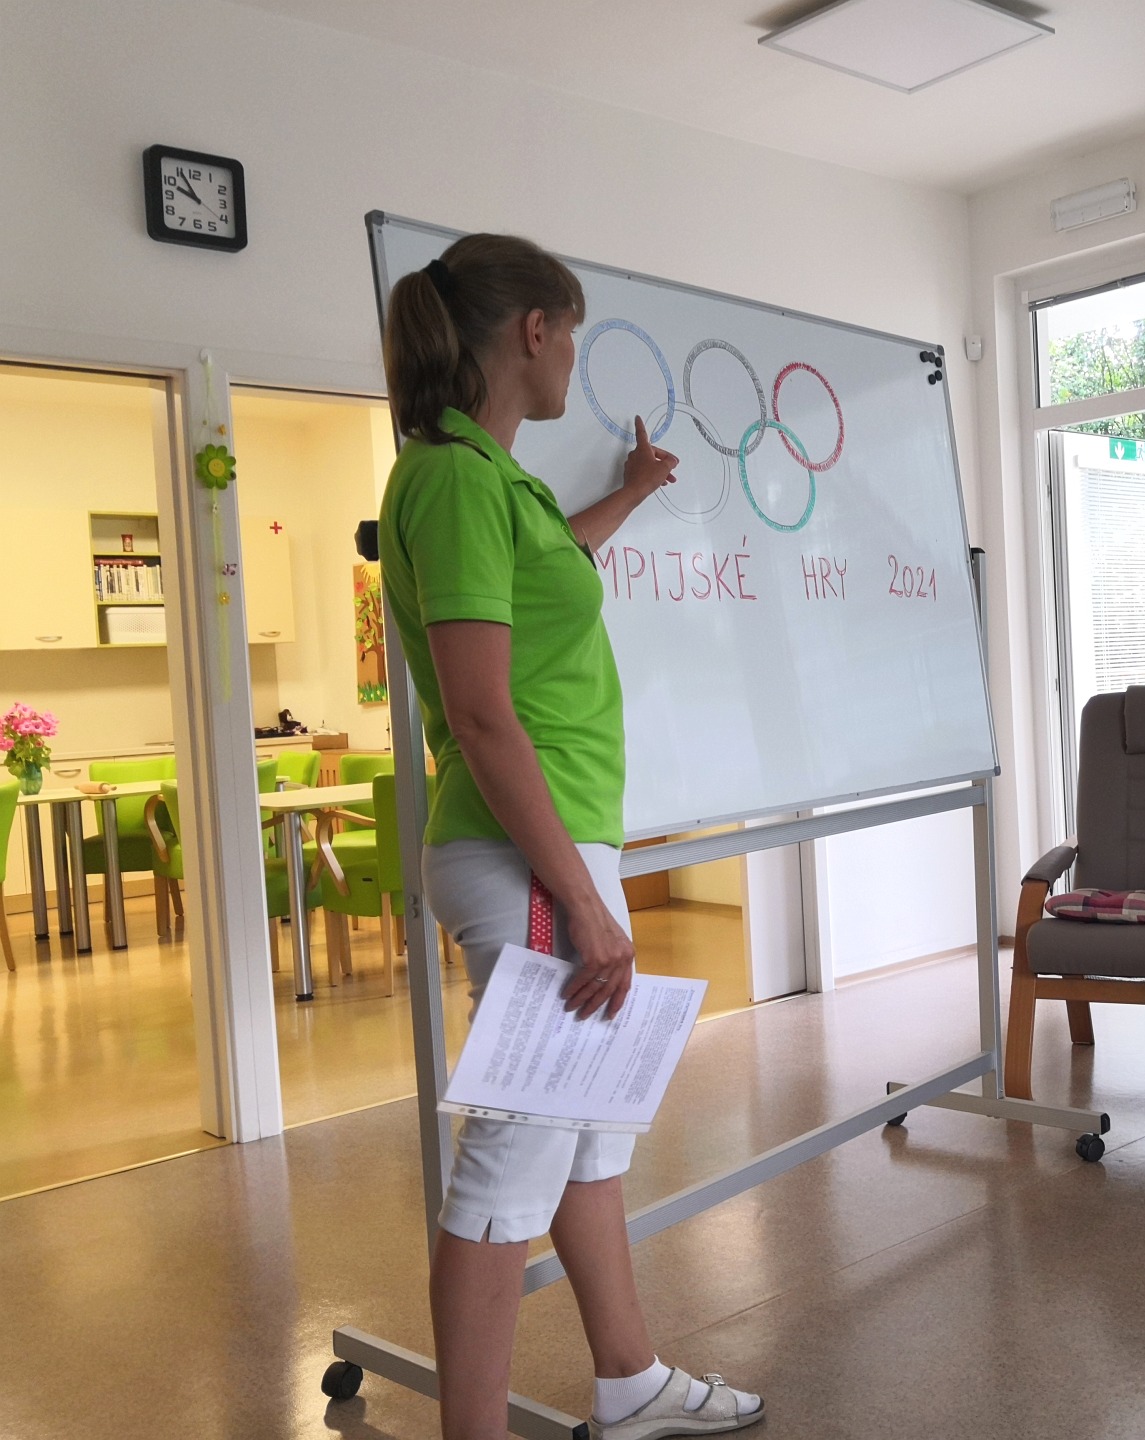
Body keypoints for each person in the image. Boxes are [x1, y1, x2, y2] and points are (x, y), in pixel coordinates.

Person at [380, 234, 763, 1439]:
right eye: (572, 336)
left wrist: (634, 493)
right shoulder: (453, 479)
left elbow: (554, 574)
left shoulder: (493, 482)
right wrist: (586, 903)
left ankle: (629, 1379)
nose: (572, 362)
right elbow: (482, 713)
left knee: (585, 1136)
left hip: (550, 839)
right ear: (532, 332)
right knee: (514, 1155)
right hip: (524, 850)